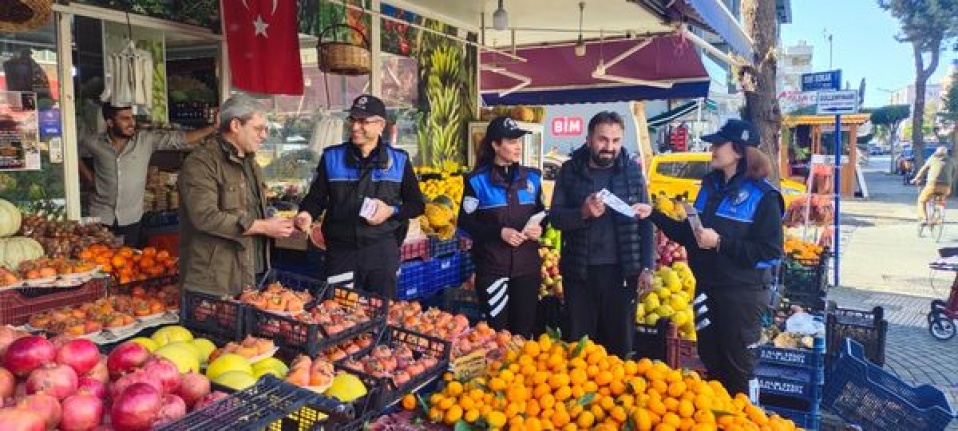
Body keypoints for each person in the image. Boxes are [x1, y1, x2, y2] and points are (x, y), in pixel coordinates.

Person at [634, 119, 784, 399]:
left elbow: (770, 252)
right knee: (711, 362)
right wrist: (653, 214)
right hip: (706, 289)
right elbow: (690, 235)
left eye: (718, 144)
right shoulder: (710, 188)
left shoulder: (764, 197)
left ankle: (744, 417)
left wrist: (721, 243)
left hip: (741, 296)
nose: (712, 149)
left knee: (738, 370)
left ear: (738, 150)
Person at [295, 94, 425, 298]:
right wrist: (306, 214)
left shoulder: (399, 161)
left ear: (380, 125)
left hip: (381, 251)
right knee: (339, 310)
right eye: (353, 120)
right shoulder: (331, 157)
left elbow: (416, 205)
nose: (355, 127)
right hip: (341, 252)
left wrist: (391, 211)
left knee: (381, 310)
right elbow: (315, 198)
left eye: (363, 121)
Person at [549, 111, 654, 358]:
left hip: (622, 274)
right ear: (588, 139)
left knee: (620, 348)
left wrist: (648, 266)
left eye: (616, 140)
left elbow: (645, 221)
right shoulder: (569, 171)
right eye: (603, 139)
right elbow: (555, 218)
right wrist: (582, 213)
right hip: (580, 275)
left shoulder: (632, 172)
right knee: (579, 349)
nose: (609, 147)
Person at [177, 94, 294, 296]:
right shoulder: (201, 162)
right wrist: (263, 226)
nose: (264, 135)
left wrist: (282, 221)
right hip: (216, 280)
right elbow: (205, 217)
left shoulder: (250, 162)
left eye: (265, 129)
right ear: (235, 125)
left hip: (253, 272)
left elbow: (250, 209)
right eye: (258, 129)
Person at [79, 103, 217, 247]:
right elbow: (70, 152)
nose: (132, 122)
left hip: (131, 218)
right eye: (125, 119)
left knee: (128, 257)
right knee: (98, 256)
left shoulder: (145, 140)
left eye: (132, 117)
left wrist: (213, 127)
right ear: (110, 122)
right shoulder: (94, 143)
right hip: (101, 216)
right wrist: (88, 176)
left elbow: (180, 139)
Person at [458, 116, 545, 338]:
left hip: (527, 269)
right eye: (512, 141)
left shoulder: (533, 178)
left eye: (519, 141)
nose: (518, 146)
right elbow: (465, 224)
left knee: (523, 335)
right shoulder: (476, 181)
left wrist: (540, 228)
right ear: (495, 145)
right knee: (498, 336)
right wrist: (499, 233)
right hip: (493, 270)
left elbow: (543, 214)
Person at [912, 146, 953, 224]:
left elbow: (923, 169)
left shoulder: (932, 159)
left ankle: (924, 218)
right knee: (941, 198)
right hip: (946, 187)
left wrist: (916, 178)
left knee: (921, 200)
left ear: (936, 152)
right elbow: (953, 173)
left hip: (932, 185)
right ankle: (940, 213)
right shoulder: (951, 161)